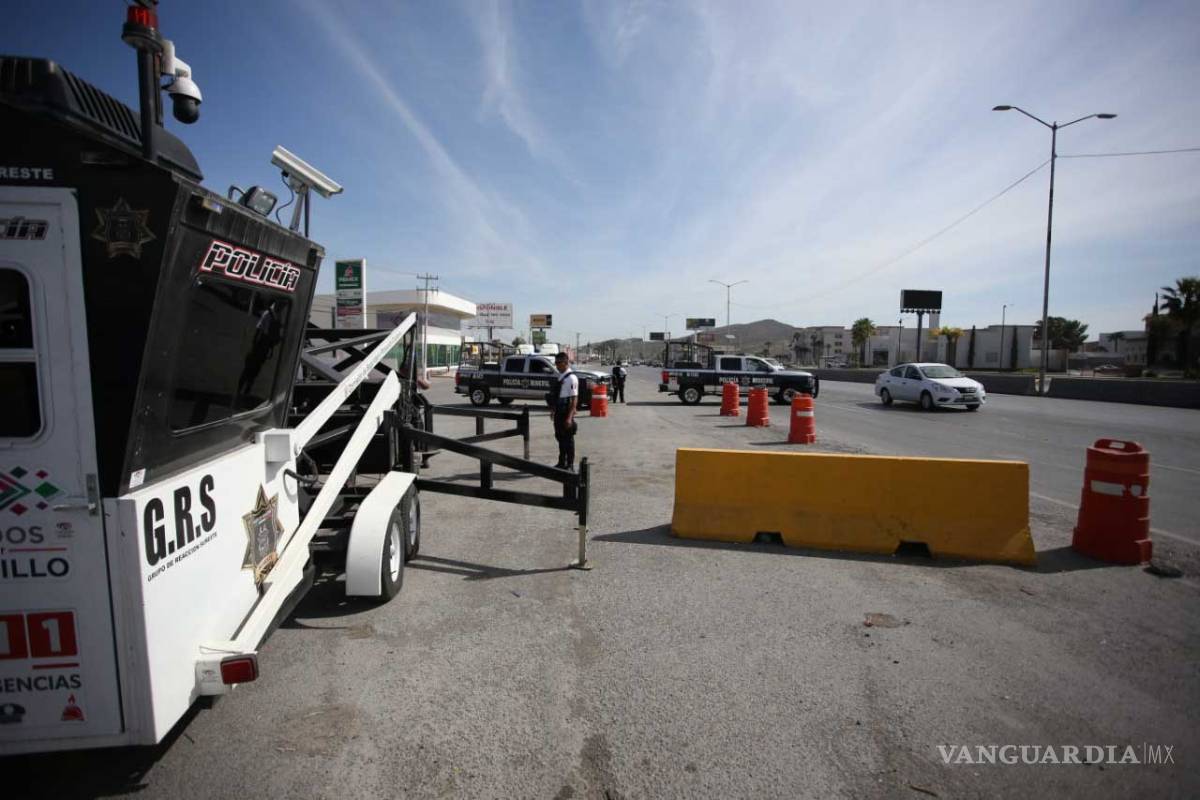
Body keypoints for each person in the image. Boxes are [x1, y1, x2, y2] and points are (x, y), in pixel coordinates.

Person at [551, 351, 578, 471]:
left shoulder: (572, 378)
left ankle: (570, 464)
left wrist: (569, 418)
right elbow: (558, 395)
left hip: (566, 411)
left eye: (558, 363)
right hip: (559, 410)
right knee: (560, 437)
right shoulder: (561, 376)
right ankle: (562, 462)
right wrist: (553, 410)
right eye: (556, 363)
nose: (556, 365)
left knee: (568, 439)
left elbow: (574, 399)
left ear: (565, 362)